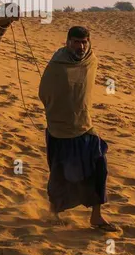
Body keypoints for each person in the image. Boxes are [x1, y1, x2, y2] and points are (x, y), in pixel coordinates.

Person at [38, 26, 116, 231]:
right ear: (67, 42)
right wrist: (58, 113)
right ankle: (53, 213)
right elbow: (44, 93)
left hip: (85, 126)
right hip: (61, 129)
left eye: (84, 42)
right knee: (60, 173)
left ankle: (96, 216)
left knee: (99, 165)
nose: (80, 46)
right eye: (76, 42)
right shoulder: (57, 65)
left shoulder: (91, 61)